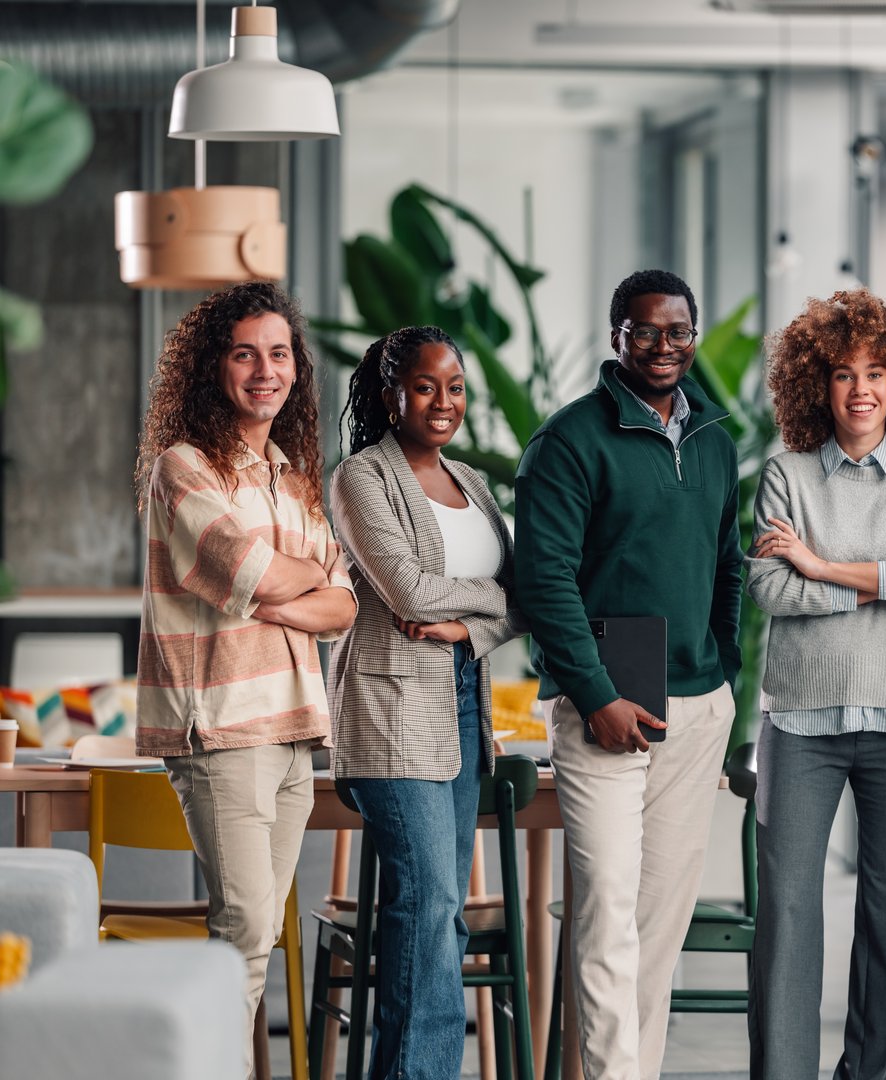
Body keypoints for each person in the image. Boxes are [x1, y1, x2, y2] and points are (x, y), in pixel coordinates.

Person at [514, 269, 743, 1080]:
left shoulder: (716, 439)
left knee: (656, 926)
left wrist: (725, 680)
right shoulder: (569, 440)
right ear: (617, 336)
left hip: (695, 707)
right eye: (644, 331)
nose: (662, 346)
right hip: (604, 709)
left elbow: (728, 568)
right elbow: (542, 582)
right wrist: (598, 694)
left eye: (677, 331)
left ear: (693, 333)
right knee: (607, 912)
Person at [134, 282, 355, 1079]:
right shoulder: (183, 468)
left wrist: (285, 594)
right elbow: (254, 573)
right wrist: (295, 588)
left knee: (255, 937)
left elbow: (343, 604)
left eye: (279, 353)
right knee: (244, 929)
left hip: (296, 728)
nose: (265, 370)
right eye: (244, 353)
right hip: (222, 731)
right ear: (212, 367)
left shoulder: (294, 478)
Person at [745, 289, 886, 1080]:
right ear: (818, 385)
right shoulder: (787, 476)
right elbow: (771, 591)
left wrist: (819, 564)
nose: (861, 388)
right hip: (798, 724)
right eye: (843, 373)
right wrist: (884, 574)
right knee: (789, 916)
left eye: (876, 372)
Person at [325, 326, 526, 1079]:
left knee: (435, 911)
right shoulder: (361, 478)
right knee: (430, 906)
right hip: (390, 706)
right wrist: (495, 599)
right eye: (423, 386)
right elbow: (406, 590)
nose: (442, 402)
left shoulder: (472, 482)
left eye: (455, 387)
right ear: (389, 394)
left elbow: (528, 597)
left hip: (465, 701)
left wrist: (466, 626)